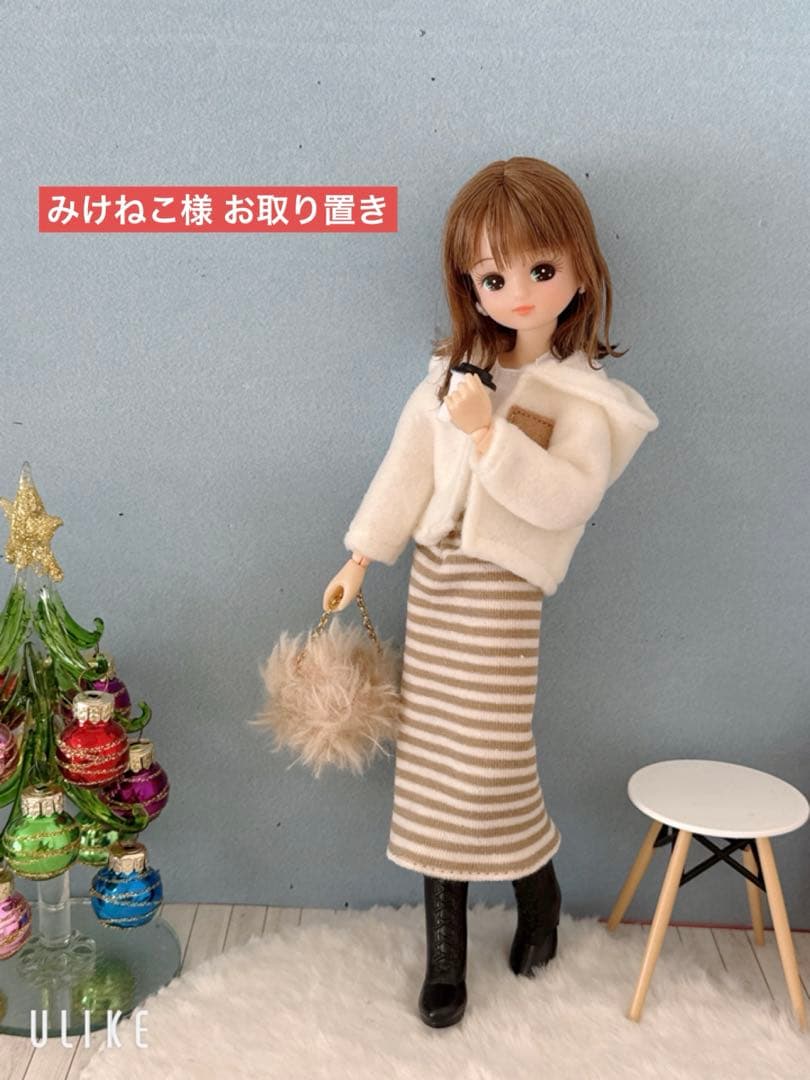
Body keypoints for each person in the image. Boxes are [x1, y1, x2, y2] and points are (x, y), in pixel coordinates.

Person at [322, 156, 660, 1028]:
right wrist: (361, 556)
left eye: (541, 270)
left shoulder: (583, 400)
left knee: (490, 762)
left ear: (579, 271)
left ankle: (538, 894)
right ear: (469, 285)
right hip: (437, 585)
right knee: (433, 764)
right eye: (494, 277)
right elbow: (406, 467)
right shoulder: (452, 373)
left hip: (505, 596)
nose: (518, 294)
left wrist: (488, 439)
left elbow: (566, 498)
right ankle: (446, 957)